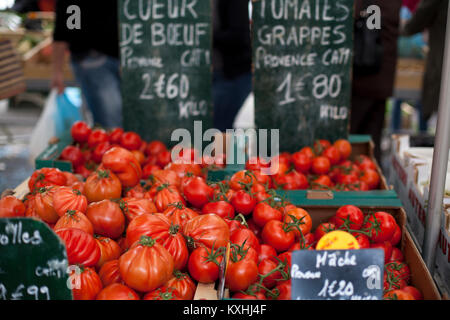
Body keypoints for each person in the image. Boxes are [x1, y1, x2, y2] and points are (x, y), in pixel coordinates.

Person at [52, 0, 122, 129]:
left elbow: (63, 30)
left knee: (112, 123)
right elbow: (64, 29)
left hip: (105, 58)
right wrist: (57, 71)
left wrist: (57, 71)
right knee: (111, 125)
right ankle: (115, 148)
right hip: (92, 58)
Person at [351, 0, 402, 162]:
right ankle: (372, 180)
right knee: (373, 138)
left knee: (354, 136)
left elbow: (351, 13)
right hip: (382, 76)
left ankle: (364, 179)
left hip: (366, 75)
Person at [402, 0, 449, 130]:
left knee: (440, 130)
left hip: (443, 69)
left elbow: (413, 24)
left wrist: (400, 26)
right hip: (441, 67)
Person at [212, 0, 252, 132]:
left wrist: (207, 35)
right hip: (225, 74)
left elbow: (238, 35)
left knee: (223, 128)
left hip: (233, 75)